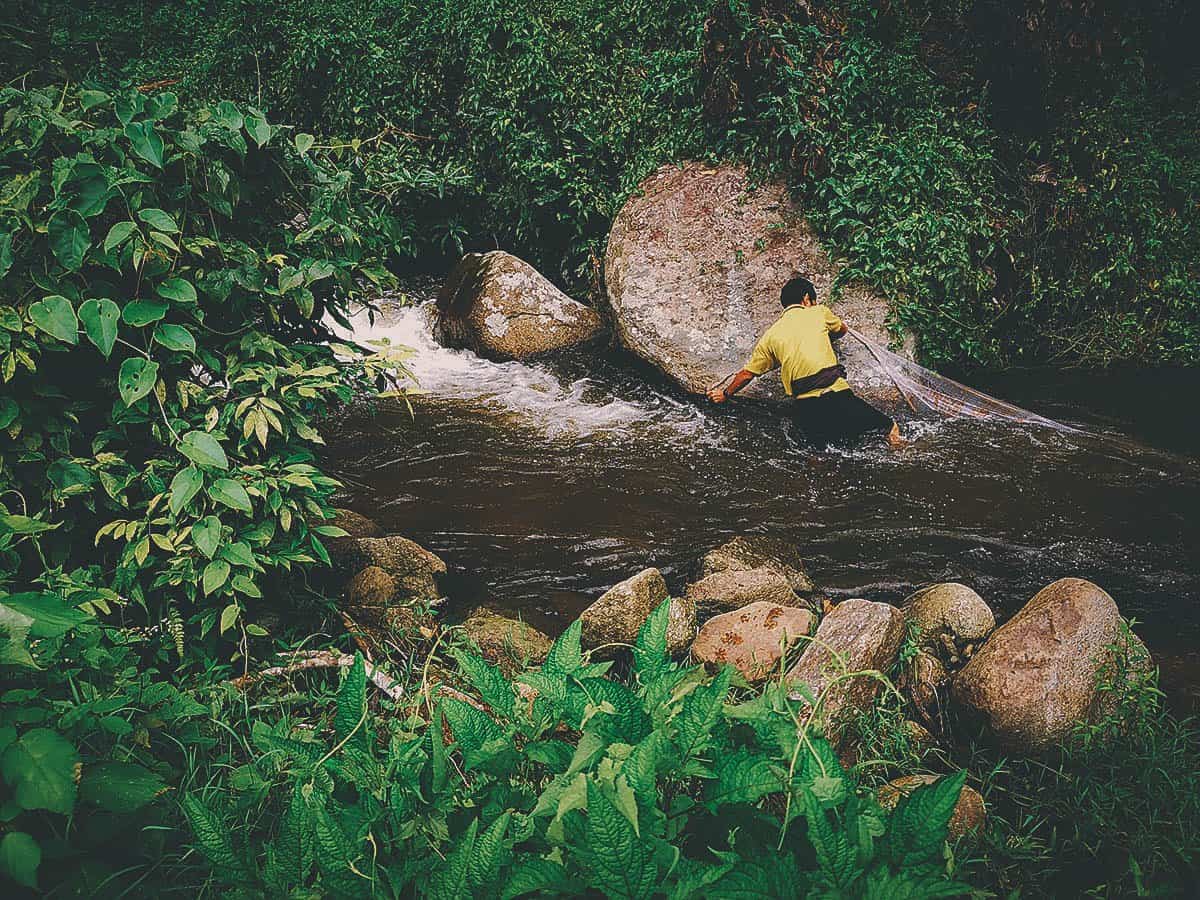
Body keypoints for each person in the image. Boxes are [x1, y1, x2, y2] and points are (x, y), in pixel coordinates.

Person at [707, 276, 903, 448]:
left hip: (807, 408)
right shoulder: (819, 312)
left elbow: (747, 374)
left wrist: (724, 394)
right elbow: (842, 329)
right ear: (807, 299)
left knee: (816, 456)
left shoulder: (771, 335)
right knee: (889, 428)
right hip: (838, 396)